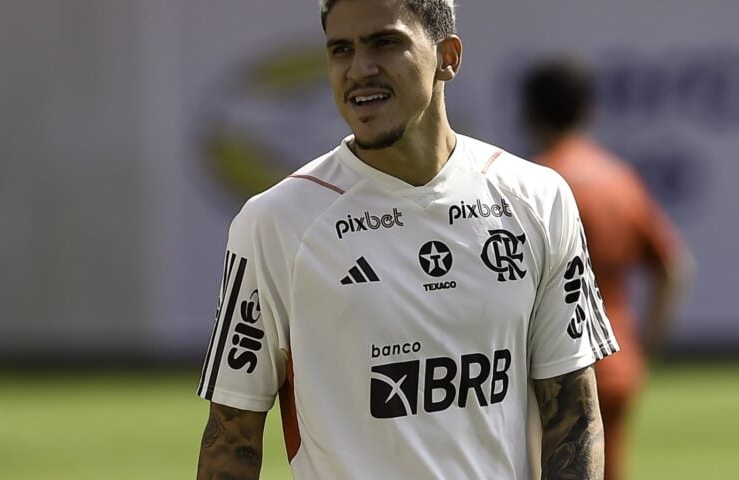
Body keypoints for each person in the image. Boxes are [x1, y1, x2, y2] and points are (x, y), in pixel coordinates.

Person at [196, 1, 620, 478]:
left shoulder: (539, 199)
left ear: (448, 57)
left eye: (385, 43)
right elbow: (232, 436)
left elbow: (575, 418)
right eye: (341, 50)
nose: (359, 69)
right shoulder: (273, 222)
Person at [521, 59, 694, 480]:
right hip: (616, 358)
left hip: (552, 368)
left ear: (529, 113)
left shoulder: (534, 182)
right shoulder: (619, 178)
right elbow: (674, 265)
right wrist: (646, 347)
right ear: (588, 110)